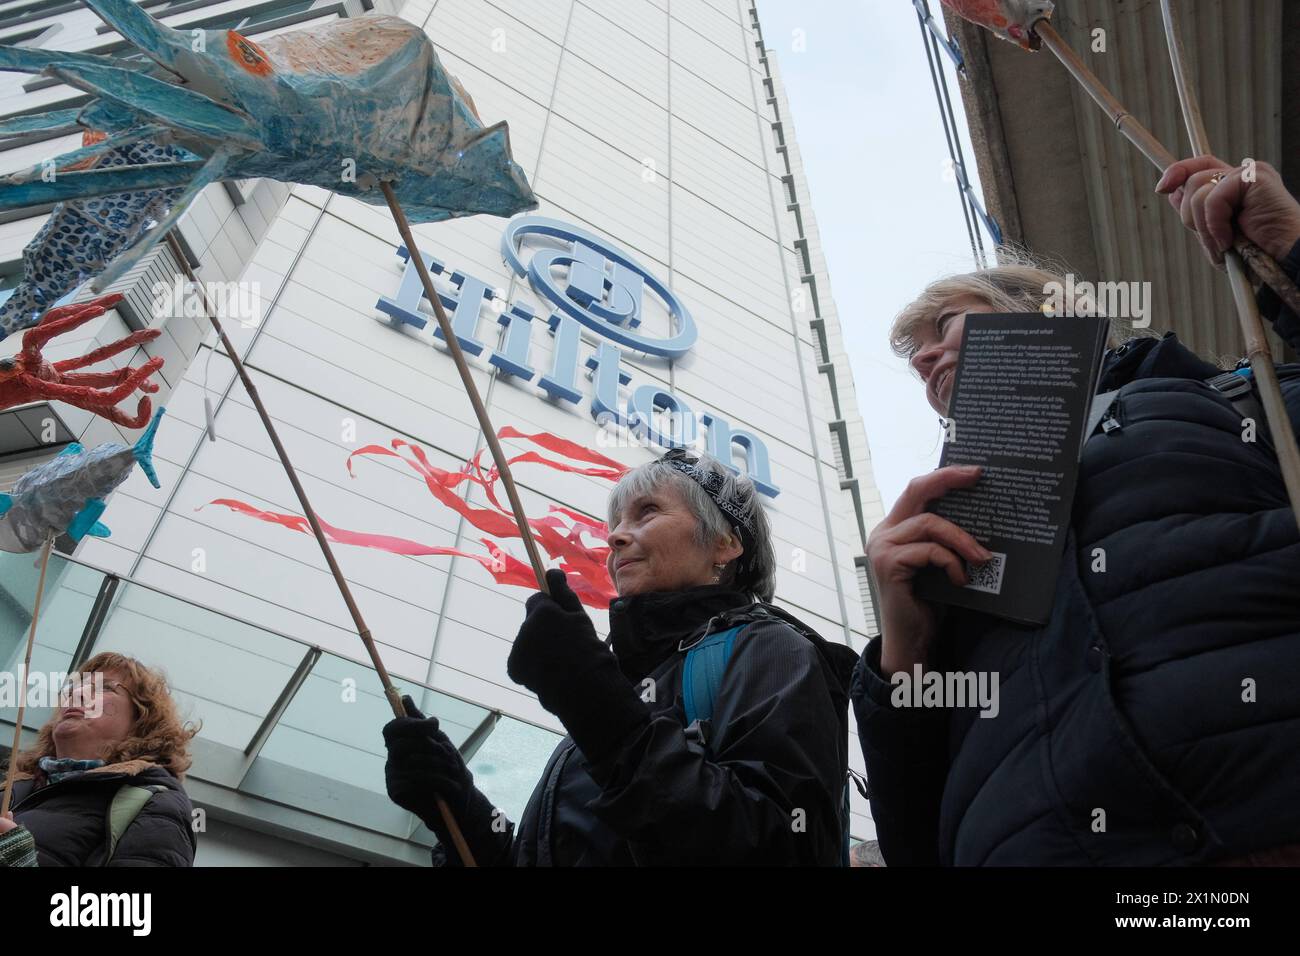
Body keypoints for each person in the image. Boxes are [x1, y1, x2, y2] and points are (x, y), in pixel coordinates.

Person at [852, 155, 1300, 865]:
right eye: (917, 357)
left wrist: (1288, 256)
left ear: (1044, 312)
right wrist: (901, 653)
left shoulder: (1235, 401)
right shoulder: (941, 541)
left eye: (945, 324)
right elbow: (916, 840)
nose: (924, 360)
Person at [384, 449, 861, 865]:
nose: (615, 539)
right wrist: (456, 803)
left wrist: (597, 708)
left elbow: (779, 846)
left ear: (725, 543)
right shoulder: (627, 693)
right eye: (615, 525)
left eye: (647, 512)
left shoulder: (771, 650)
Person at [0, 651, 199, 866]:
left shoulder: (155, 802)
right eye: (74, 688)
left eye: (106, 688)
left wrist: (20, 862)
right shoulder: (12, 787)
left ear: (142, 720)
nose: (78, 694)